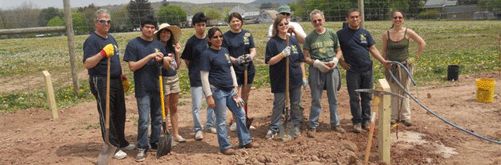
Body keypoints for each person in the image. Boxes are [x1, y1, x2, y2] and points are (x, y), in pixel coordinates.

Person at [83, 9, 135, 160]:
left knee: (120, 111)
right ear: (95, 23)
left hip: (115, 79)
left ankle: (121, 141)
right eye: (102, 21)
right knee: (107, 113)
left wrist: (122, 74)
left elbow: (117, 59)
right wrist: (102, 54)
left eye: (108, 21)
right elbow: (87, 64)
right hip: (100, 80)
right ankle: (112, 145)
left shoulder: (111, 38)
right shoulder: (92, 41)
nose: (106, 24)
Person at [200, 27, 260, 155]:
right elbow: (204, 76)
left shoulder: (225, 51)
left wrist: (235, 86)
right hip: (218, 91)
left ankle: (245, 141)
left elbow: (230, 68)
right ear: (209, 39)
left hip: (231, 90)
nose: (219, 39)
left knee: (240, 113)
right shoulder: (207, 54)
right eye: (215, 37)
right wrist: (209, 96)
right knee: (221, 119)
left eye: (220, 36)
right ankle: (225, 146)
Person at [123, 15, 173, 162]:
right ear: (141, 27)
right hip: (143, 88)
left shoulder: (159, 45)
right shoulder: (133, 44)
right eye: (147, 27)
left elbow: (166, 66)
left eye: (152, 28)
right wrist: (150, 57)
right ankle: (142, 146)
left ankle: (155, 141)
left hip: (158, 86)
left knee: (157, 118)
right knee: (144, 119)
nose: (150, 30)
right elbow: (132, 66)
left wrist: (163, 59)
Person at [337, 8, 391, 133]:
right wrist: (341, 62)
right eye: (352, 17)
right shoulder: (341, 34)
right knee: (354, 97)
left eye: (357, 17)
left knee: (367, 96)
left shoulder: (365, 33)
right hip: (352, 71)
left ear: (360, 19)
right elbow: (337, 50)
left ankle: (366, 120)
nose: (355, 19)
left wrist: (383, 61)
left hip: (367, 69)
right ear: (347, 19)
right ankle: (356, 121)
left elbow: (372, 49)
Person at [303, 9, 346, 138]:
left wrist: (335, 60)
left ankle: (335, 124)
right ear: (311, 22)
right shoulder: (309, 37)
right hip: (317, 68)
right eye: (314, 21)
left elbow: (339, 50)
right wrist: (316, 63)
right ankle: (313, 125)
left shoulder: (332, 33)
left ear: (324, 20)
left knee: (333, 97)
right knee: (316, 98)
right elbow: (305, 57)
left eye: (319, 20)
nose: (317, 22)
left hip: (331, 66)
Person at [264, 15, 306, 139]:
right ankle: (274, 128)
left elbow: (301, 59)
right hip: (280, 78)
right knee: (279, 104)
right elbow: (269, 61)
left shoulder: (292, 40)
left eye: (286, 24)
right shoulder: (272, 42)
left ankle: (295, 125)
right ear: (276, 27)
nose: (284, 26)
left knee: (296, 103)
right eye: (281, 24)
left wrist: (303, 75)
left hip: (295, 77)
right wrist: (282, 54)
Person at [382, 10, 426, 127]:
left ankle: (405, 117)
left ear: (403, 19)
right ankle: (393, 117)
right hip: (392, 66)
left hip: (404, 66)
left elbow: (422, 43)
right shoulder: (386, 34)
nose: (397, 20)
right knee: (393, 91)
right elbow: (384, 50)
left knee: (405, 91)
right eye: (395, 18)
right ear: (392, 19)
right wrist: (384, 64)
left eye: (400, 18)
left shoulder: (408, 32)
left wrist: (415, 58)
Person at [181, 12, 217, 140]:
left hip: (211, 77)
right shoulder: (191, 42)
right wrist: (193, 71)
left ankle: (210, 124)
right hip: (196, 77)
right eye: (198, 25)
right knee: (196, 105)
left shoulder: (210, 39)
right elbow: (187, 59)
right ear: (194, 26)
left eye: (203, 25)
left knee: (212, 103)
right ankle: (197, 129)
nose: (201, 27)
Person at [222, 12, 257, 131]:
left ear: (241, 21)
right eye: (233, 21)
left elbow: (253, 49)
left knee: (245, 97)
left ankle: (245, 119)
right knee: (235, 97)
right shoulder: (226, 37)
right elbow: (225, 54)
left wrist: (250, 57)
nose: (236, 23)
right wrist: (236, 60)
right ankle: (235, 121)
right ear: (229, 23)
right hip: (234, 70)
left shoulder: (247, 34)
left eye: (238, 21)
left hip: (248, 69)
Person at [154, 23, 186, 143]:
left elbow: (176, 66)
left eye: (167, 32)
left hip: (174, 79)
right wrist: (165, 61)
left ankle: (176, 134)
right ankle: (166, 134)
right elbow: (166, 67)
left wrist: (177, 53)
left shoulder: (172, 47)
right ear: (159, 34)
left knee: (174, 107)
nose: (165, 34)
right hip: (163, 79)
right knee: (165, 108)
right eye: (163, 32)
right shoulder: (156, 47)